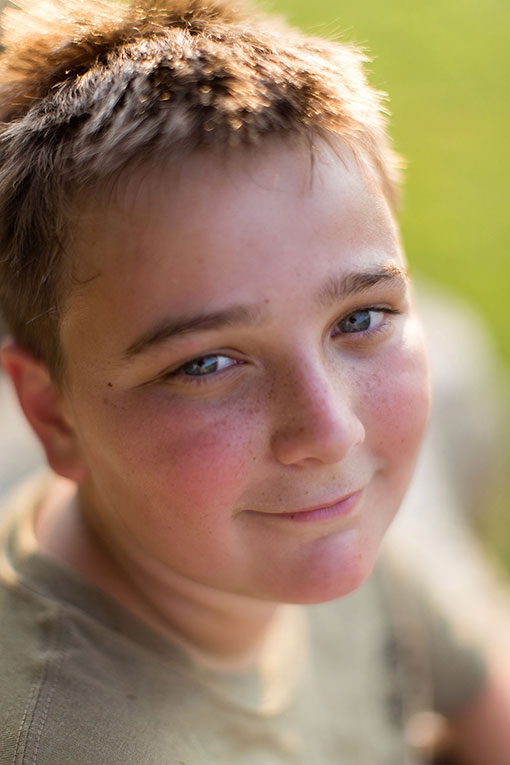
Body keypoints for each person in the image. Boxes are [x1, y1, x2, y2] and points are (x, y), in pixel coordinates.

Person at [0, 1, 507, 762]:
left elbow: (483, 686)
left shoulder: (315, 521)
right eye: (206, 364)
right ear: (53, 414)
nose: (331, 431)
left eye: (361, 318)